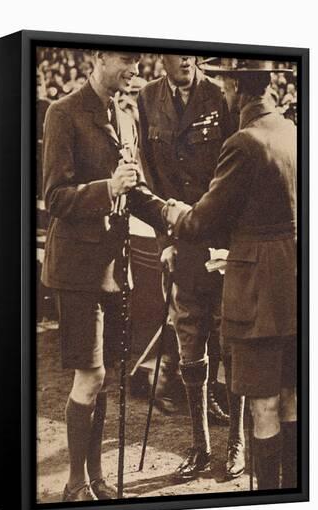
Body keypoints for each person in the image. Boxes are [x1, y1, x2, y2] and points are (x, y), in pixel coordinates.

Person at [163, 59, 297, 490]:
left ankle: (271, 503)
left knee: (263, 407)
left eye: (224, 83)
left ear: (237, 88)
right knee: (291, 400)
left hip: (257, 295)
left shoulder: (244, 142)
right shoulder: (292, 131)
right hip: (294, 288)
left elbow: (205, 221)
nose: (221, 91)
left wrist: (175, 213)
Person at [41, 51, 165, 502]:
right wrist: (106, 189)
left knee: (105, 376)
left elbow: (134, 189)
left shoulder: (127, 114)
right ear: (98, 58)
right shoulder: (63, 114)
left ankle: (94, 477)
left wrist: (170, 212)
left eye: (138, 62)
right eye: (125, 60)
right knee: (90, 375)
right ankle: (75, 482)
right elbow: (54, 196)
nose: (135, 69)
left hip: (114, 269)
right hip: (77, 270)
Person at [138, 54, 245, 480]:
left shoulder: (220, 95)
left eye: (191, 54)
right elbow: (149, 180)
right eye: (175, 53)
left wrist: (230, 239)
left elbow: (239, 173)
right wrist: (165, 240)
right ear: (160, 57)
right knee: (190, 348)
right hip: (181, 245)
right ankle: (200, 447)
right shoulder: (147, 99)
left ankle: (236, 443)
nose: (185, 60)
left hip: (221, 242)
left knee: (232, 343)